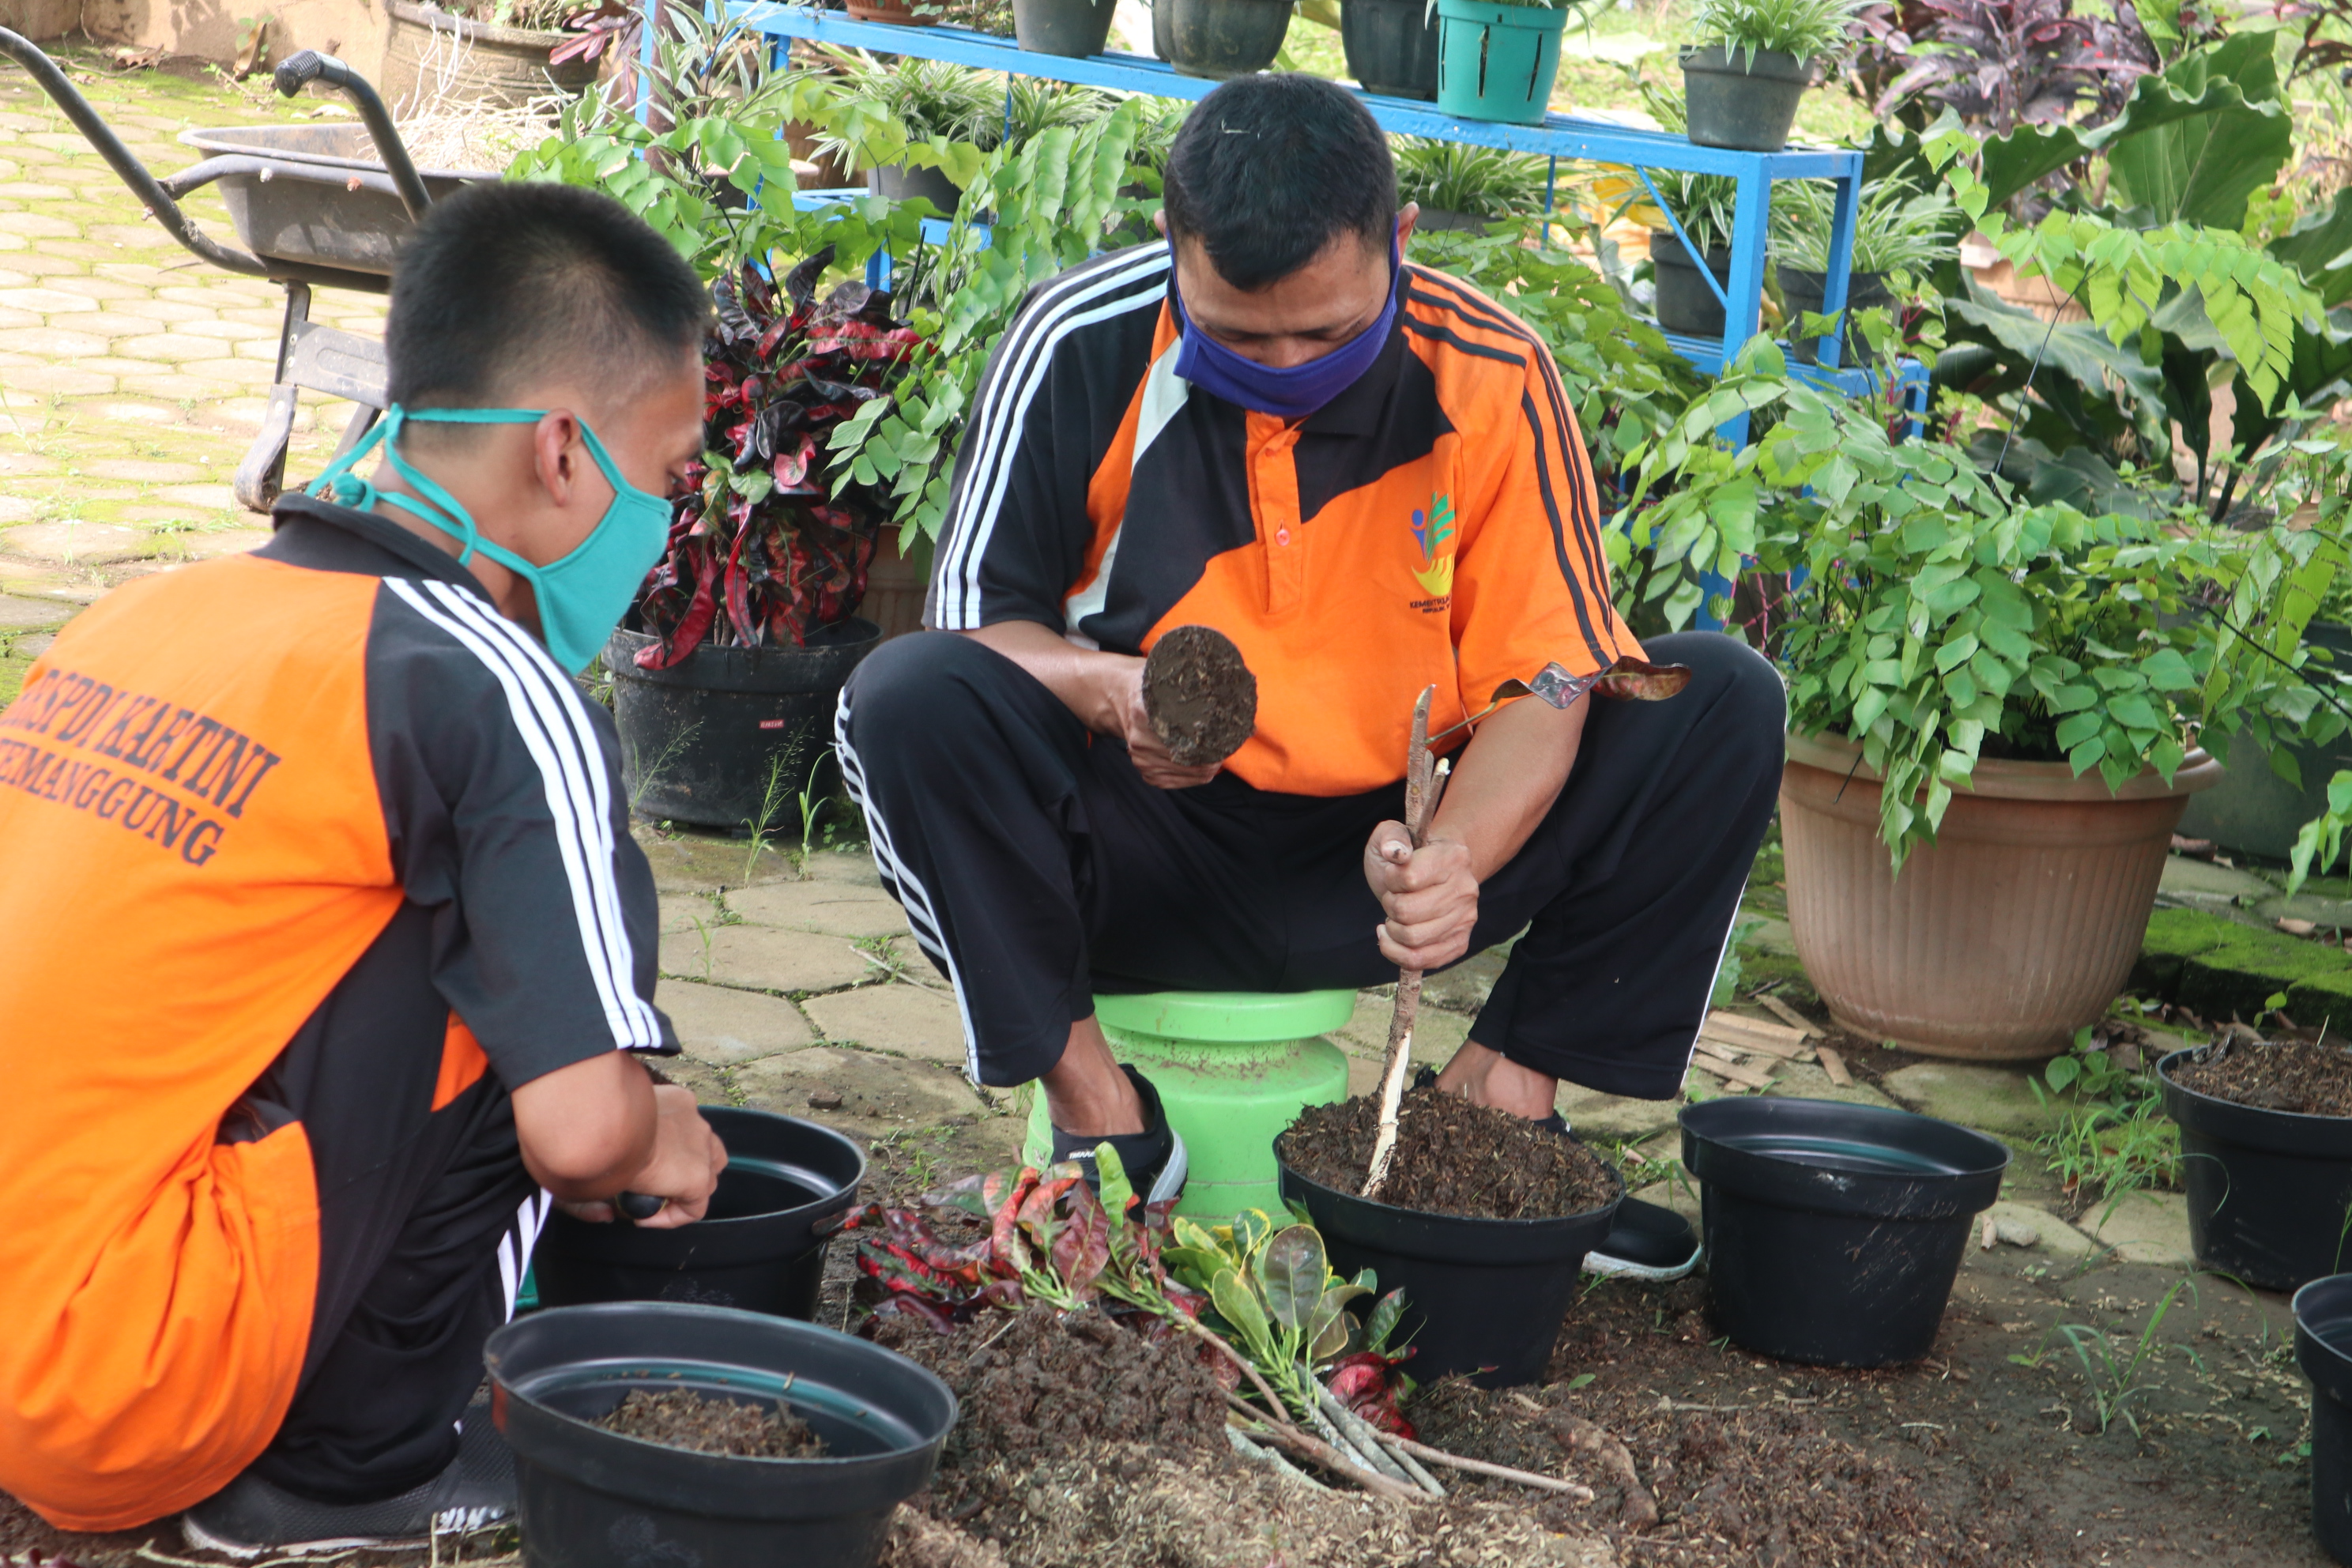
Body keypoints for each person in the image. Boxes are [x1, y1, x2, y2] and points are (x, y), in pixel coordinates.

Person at [838, 74, 1785, 1272]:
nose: (1286, 361)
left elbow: (1546, 687)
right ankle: (1101, 1119)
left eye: (1328, 332)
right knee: (907, 694)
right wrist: (1110, 691)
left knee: (1713, 697)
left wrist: (1453, 860)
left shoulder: (1493, 370)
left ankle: (1497, 1117)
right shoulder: (1078, 340)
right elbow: (983, 633)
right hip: (1139, 854)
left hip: (1382, 862)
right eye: (1239, 334)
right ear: (1175, 248)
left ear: (1400, 242)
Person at [0, 183, 729, 1551]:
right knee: (544, 1020)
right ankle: (354, 1471)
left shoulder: (148, 610)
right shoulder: (483, 687)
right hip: (110, 1399)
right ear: (566, 454)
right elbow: (579, 1137)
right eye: (673, 475)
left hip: (34, 1297)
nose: (668, 521)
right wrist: (651, 1129)